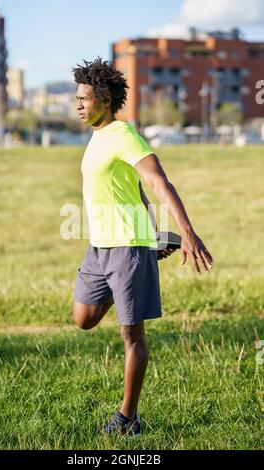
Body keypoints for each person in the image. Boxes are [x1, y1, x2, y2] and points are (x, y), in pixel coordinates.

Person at [71, 57, 214, 436]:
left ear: (104, 98)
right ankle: (145, 261)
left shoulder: (124, 134)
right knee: (82, 319)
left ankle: (128, 418)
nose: (78, 104)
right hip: (99, 248)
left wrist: (187, 231)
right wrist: (152, 231)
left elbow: (156, 181)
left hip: (126, 249)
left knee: (131, 336)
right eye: (77, 97)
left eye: (84, 98)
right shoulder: (98, 136)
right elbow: (132, 189)